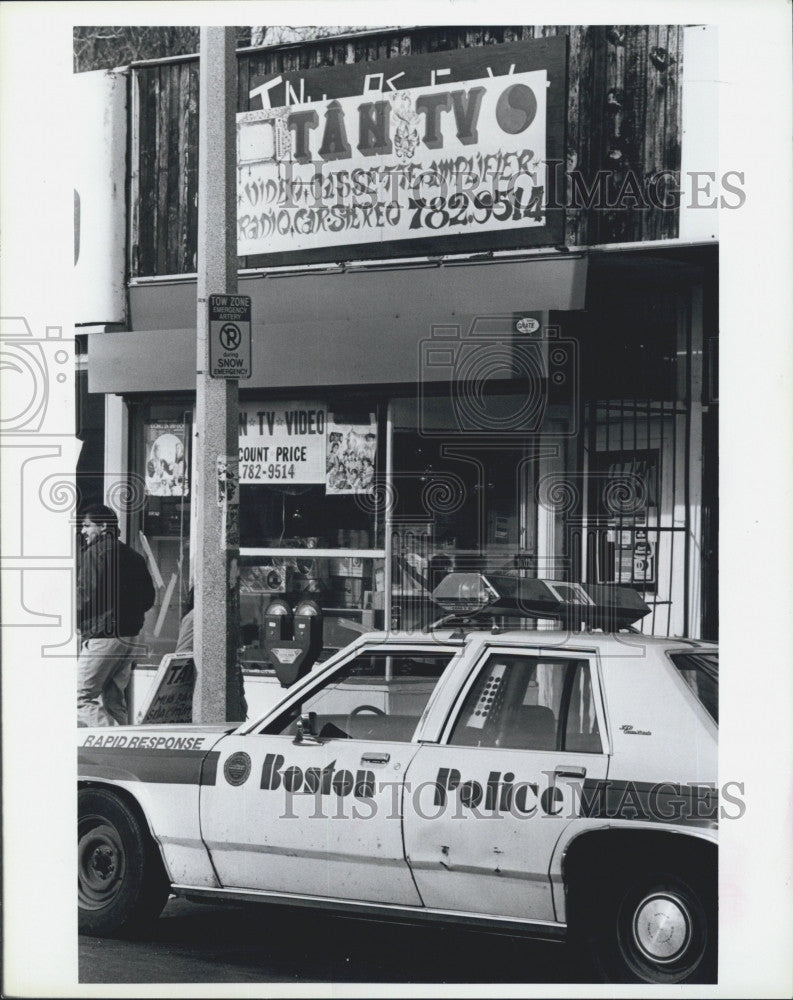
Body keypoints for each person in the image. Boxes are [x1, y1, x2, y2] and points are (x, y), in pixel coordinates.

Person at [77, 504, 156, 726]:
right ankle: (126, 749)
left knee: (80, 698)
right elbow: (148, 599)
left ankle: (111, 738)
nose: (83, 532)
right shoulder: (134, 555)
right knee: (114, 700)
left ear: (103, 526)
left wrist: (68, 617)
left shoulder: (95, 553)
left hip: (103, 636)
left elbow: (85, 597)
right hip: (130, 637)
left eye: (86, 526)